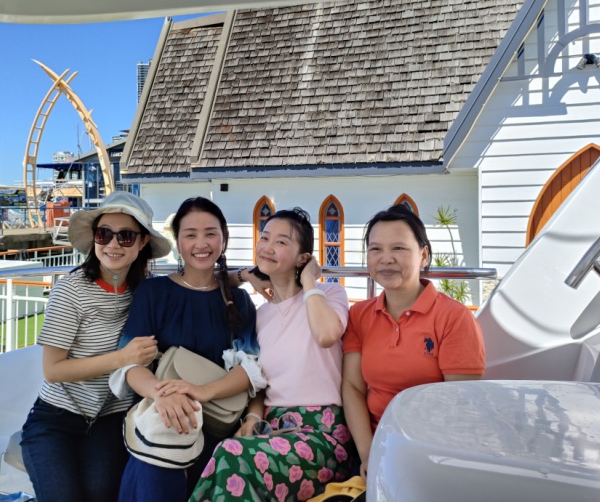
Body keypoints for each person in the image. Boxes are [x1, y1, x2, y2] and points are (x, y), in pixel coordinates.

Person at [190, 208, 354, 502]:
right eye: (264, 237)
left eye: (281, 242)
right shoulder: (260, 315)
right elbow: (259, 380)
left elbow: (326, 335)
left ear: (303, 258)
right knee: (226, 453)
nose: (267, 246)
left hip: (322, 437)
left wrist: (308, 283)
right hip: (272, 429)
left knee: (231, 455)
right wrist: (253, 416)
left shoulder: (328, 295)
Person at [19, 191, 173, 502]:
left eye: (126, 236)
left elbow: (188, 286)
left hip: (109, 419)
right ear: (94, 239)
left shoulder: (145, 292)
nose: (113, 244)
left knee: (102, 493)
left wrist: (235, 278)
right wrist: (122, 358)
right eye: (105, 234)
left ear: (143, 243)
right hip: (55, 419)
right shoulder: (71, 290)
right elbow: (53, 370)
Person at [112, 197, 263, 502]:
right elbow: (130, 364)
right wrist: (162, 393)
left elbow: (251, 370)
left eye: (210, 233)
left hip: (218, 427)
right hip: (166, 422)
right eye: (190, 234)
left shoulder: (239, 300)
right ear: (178, 243)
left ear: (223, 239)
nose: (201, 243)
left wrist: (200, 391)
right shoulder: (154, 292)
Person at [341, 204, 486, 479]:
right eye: (375, 249)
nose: (386, 259)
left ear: (423, 255)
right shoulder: (359, 315)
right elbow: (352, 387)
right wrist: (369, 454)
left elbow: (460, 406)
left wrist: (408, 457)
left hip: (432, 450)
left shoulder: (454, 318)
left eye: (398, 248)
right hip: (371, 445)